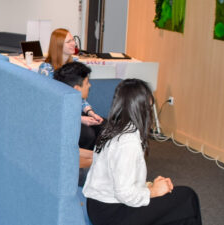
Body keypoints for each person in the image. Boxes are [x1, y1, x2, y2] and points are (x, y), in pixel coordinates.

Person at [82, 79, 201, 225]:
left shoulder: (112, 128)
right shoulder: (127, 142)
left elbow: (119, 178)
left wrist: (149, 185)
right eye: (149, 108)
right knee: (187, 197)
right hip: (112, 214)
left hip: (99, 205)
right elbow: (125, 194)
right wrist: (153, 192)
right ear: (141, 109)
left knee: (177, 203)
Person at [52, 62, 103, 186]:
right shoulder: (61, 122)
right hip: (65, 173)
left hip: (71, 163)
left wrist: (99, 157)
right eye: (87, 83)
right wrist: (99, 161)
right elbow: (68, 159)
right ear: (76, 89)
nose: (89, 85)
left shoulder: (62, 103)